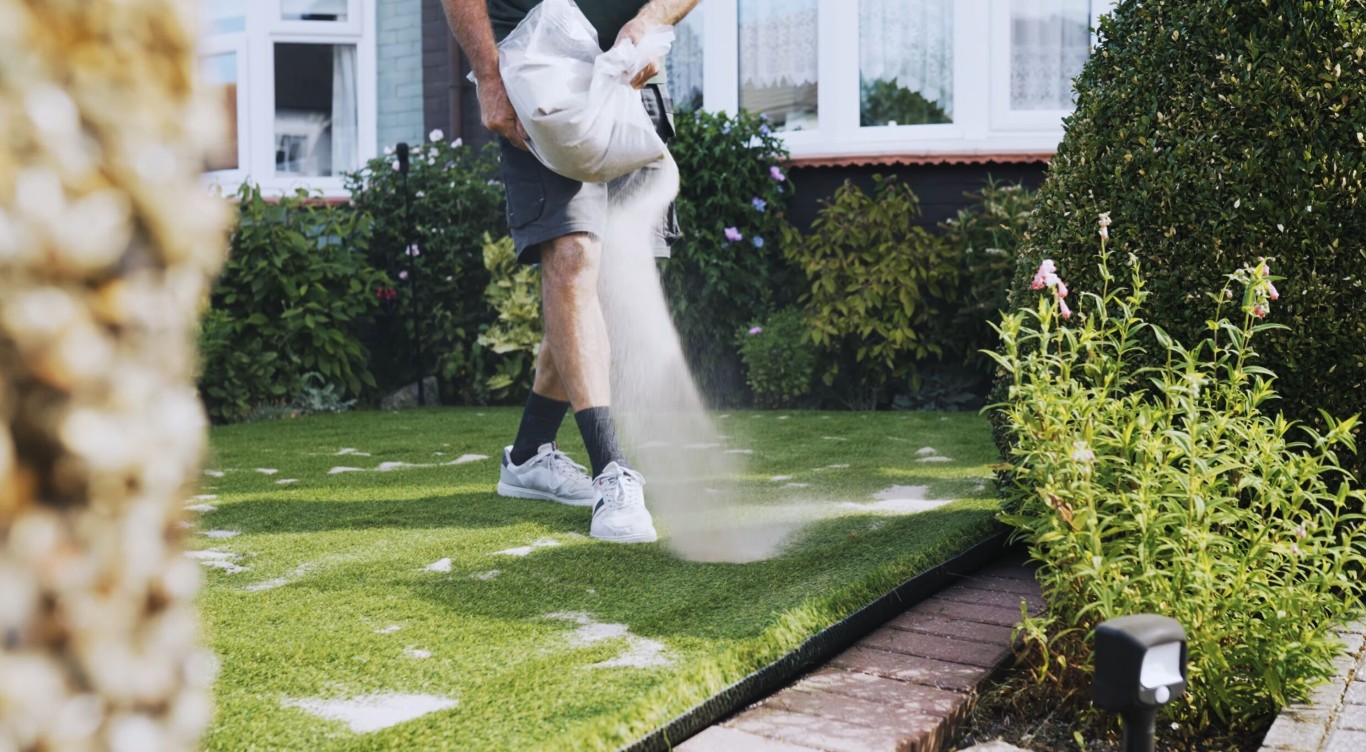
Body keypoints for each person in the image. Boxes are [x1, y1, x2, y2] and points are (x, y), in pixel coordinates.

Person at [442, 0, 698, 543]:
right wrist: (489, 77)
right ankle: (613, 472)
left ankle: (530, 454)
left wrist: (653, 19)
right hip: (538, 71)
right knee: (574, 255)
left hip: (627, 76)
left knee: (605, 287)